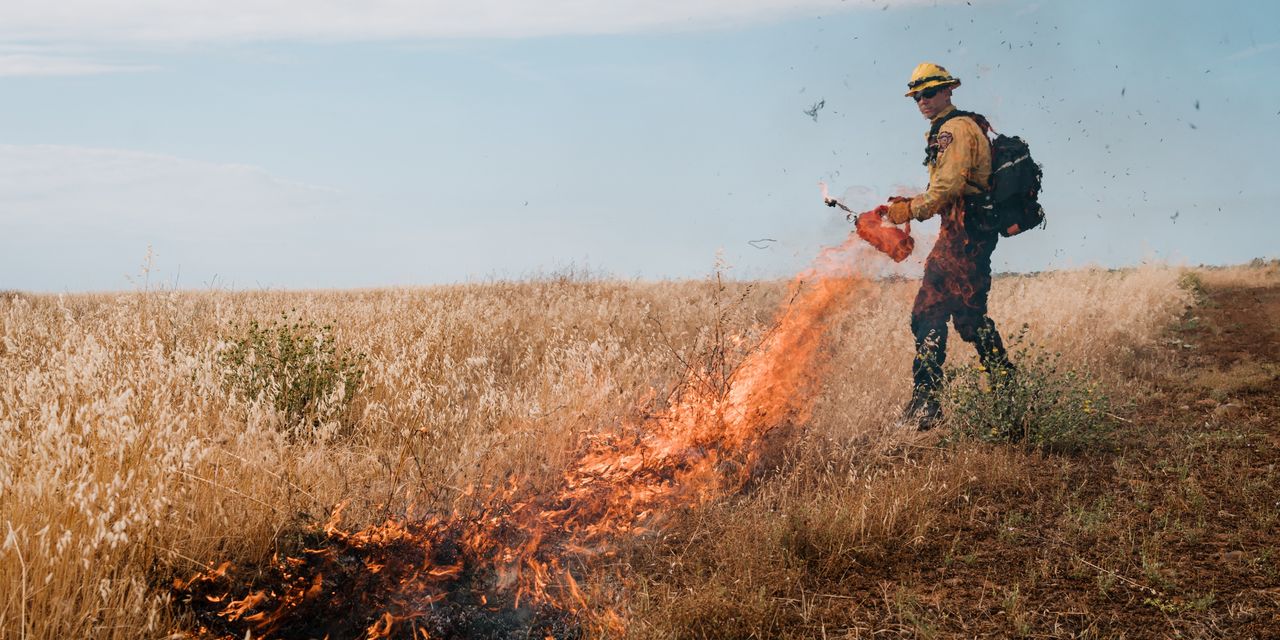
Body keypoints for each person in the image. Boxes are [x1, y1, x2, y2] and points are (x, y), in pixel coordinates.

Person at [883, 62, 1015, 430]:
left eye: (929, 93)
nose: (922, 101)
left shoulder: (954, 130)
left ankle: (926, 406)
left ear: (947, 92)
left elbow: (950, 188)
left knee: (927, 312)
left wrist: (908, 210)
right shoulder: (953, 127)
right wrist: (910, 203)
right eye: (917, 96)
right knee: (970, 317)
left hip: (965, 233)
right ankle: (1008, 393)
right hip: (969, 231)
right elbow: (948, 185)